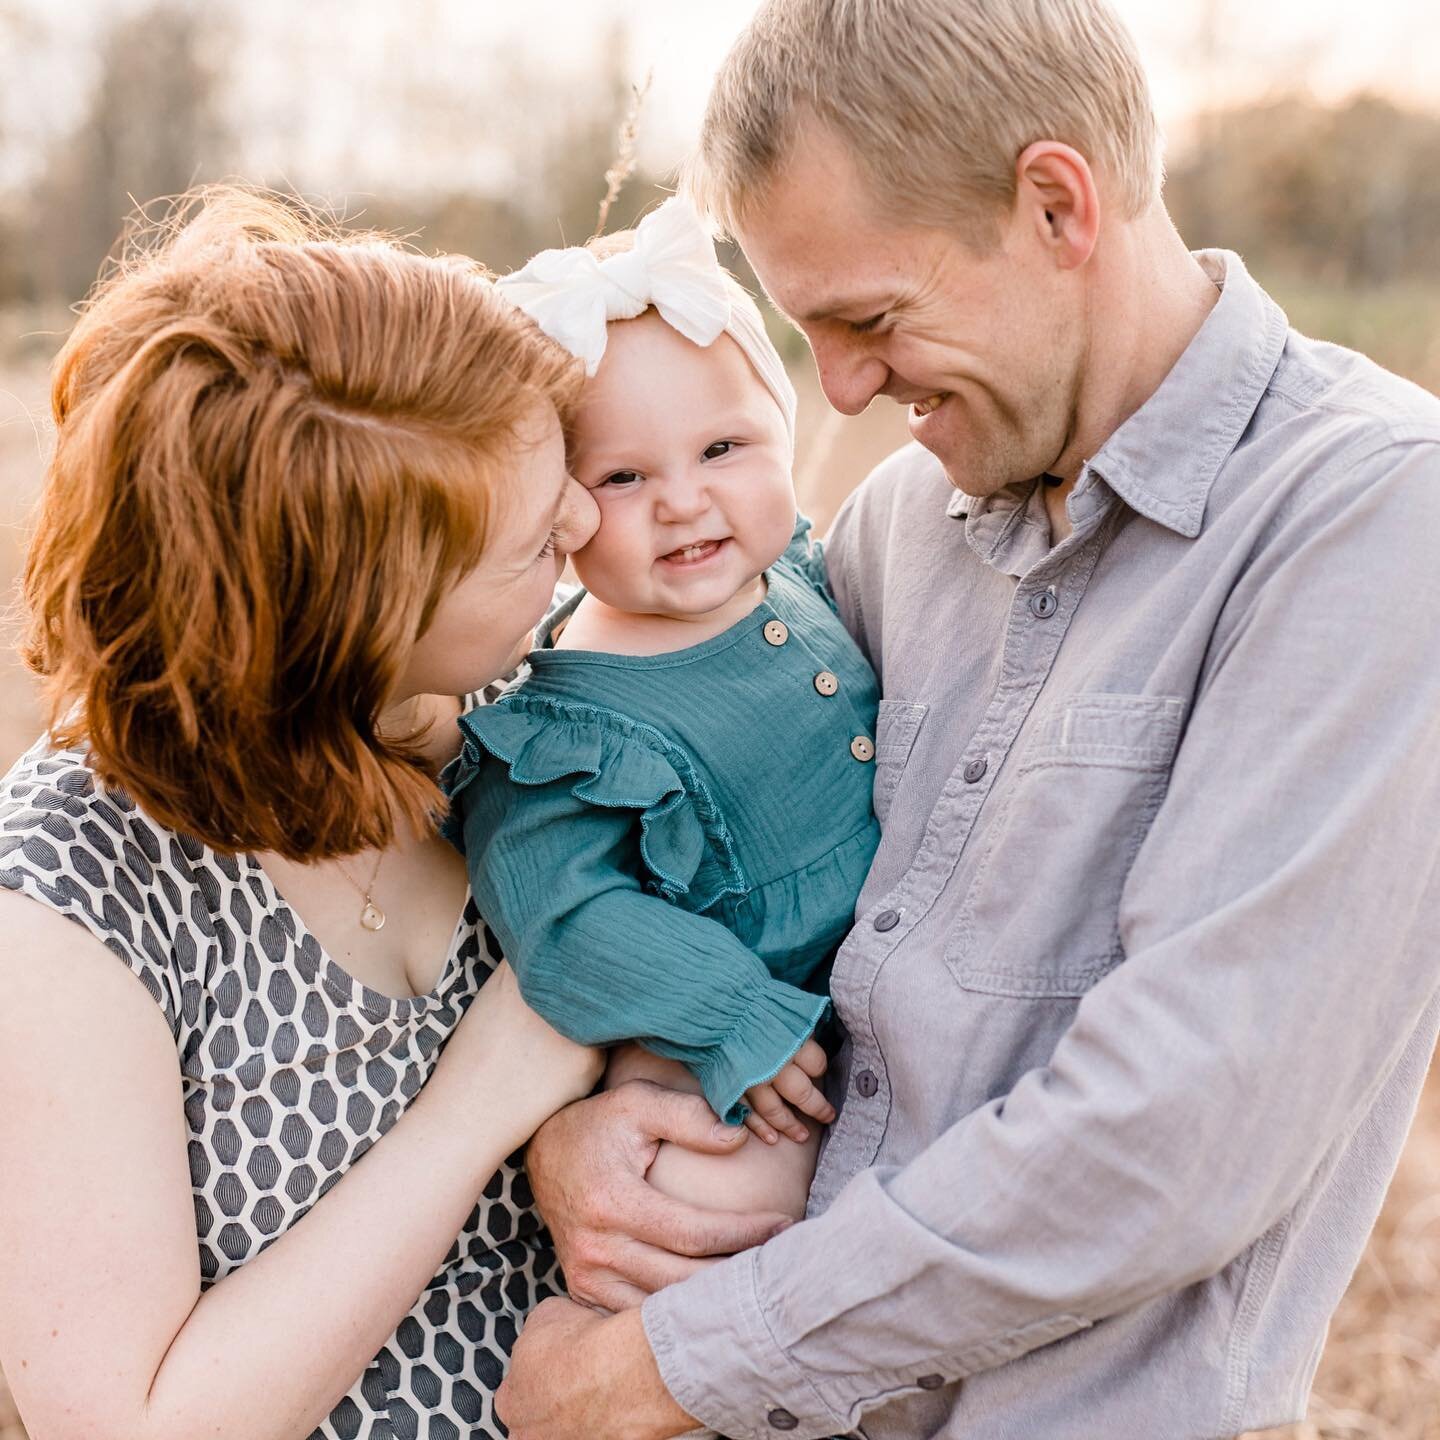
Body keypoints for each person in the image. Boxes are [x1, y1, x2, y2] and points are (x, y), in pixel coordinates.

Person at [492, 2, 1440, 1438]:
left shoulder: (1366, 519)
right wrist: (584, 1141)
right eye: (808, 334)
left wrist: (667, 1366)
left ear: (1058, 204)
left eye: (870, 320)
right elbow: (723, 890)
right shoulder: (896, 524)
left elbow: (1175, 1138)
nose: (849, 391)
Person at [0, 188, 790, 1440]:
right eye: (534, 540)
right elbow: (129, 1424)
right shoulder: (73, 888)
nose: (589, 526)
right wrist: (487, 1102)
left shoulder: (530, 713)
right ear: (354, 629)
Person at [444, 198, 876, 1219]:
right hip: (739, 1045)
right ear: (558, 507)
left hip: (886, 981)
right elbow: (566, 916)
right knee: (709, 1188)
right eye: (625, 476)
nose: (683, 501)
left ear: (782, 429)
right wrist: (725, 1012)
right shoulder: (569, 727)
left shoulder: (804, 579)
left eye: (722, 450)